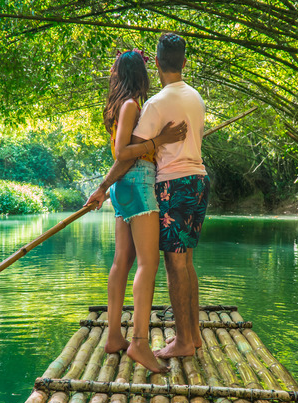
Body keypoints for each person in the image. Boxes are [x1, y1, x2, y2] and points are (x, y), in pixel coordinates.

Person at [89, 34, 209, 359]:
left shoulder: (143, 104)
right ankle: (168, 339)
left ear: (157, 64)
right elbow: (124, 152)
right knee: (168, 262)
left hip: (152, 185)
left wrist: (104, 187)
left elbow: (124, 153)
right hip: (172, 182)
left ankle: (146, 338)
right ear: (183, 62)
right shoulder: (185, 99)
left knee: (148, 262)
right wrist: (160, 141)